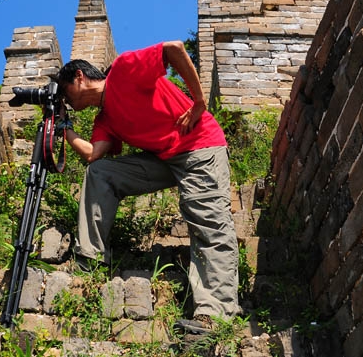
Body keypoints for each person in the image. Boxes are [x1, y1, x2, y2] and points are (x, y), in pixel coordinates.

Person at [54, 40, 239, 334]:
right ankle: (88, 259)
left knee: (208, 222)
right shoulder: (105, 119)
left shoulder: (124, 70)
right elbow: (92, 154)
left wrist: (199, 102)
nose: (66, 100)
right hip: (163, 160)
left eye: (65, 93)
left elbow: (174, 49)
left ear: (79, 77)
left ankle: (213, 315)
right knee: (100, 172)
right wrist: (63, 128)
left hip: (199, 146)